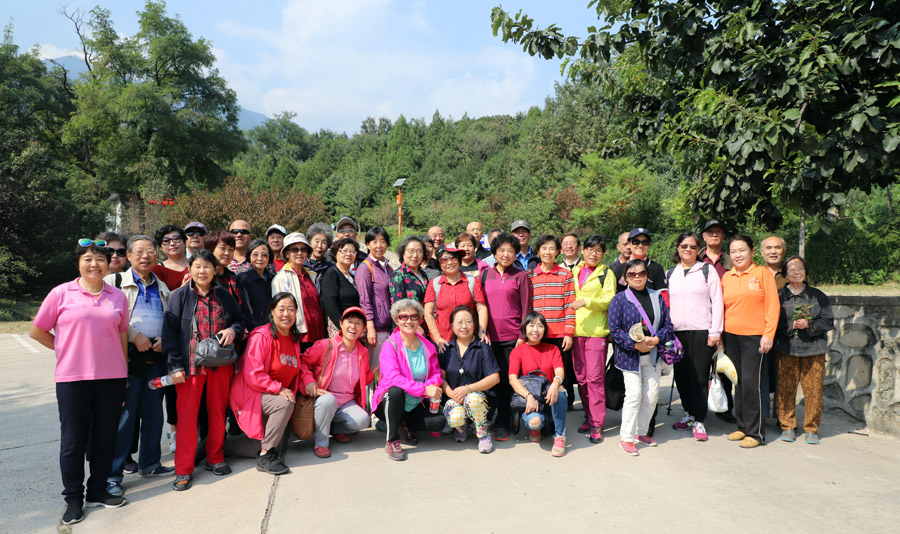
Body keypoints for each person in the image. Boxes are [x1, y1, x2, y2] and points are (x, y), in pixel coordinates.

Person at [30, 239, 129, 524]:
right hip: (73, 379)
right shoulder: (61, 293)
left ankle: (97, 490)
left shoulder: (117, 296)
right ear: (78, 264)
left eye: (100, 259)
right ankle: (73, 499)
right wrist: (64, 349)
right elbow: (37, 331)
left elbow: (122, 335)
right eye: (88, 259)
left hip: (111, 379)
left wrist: (124, 372)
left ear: (108, 264)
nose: (94, 264)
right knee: (73, 442)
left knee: (105, 438)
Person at [163, 249, 244, 490]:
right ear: (190, 269)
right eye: (197, 266)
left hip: (219, 365)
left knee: (218, 413)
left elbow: (239, 322)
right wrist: (174, 365)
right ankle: (183, 469)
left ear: (215, 270)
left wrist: (233, 330)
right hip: (190, 367)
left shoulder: (224, 295)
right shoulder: (179, 296)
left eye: (207, 267)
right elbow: (169, 334)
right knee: (187, 418)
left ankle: (215, 458)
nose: (202, 271)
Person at [104, 235, 175, 498]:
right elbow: (108, 316)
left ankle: (150, 463)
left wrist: (164, 339)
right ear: (129, 256)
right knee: (125, 418)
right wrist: (135, 336)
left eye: (151, 251)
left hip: (155, 358)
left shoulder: (162, 286)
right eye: (139, 252)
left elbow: (169, 320)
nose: (146, 256)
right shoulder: (115, 282)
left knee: (154, 413)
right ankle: (112, 474)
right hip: (127, 359)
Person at [608, 259, 676, 456]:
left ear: (647, 276)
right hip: (629, 357)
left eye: (641, 273)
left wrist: (657, 339)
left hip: (652, 356)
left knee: (651, 395)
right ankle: (626, 438)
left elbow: (668, 325)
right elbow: (615, 330)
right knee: (634, 395)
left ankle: (642, 432)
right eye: (632, 273)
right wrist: (634, 344)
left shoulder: (657, 297)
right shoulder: (619, 300)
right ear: (625, 277)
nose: (637, 276)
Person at [229, 292, 302, 475]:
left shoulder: (293, 338)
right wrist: (279, 388)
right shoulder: (261, 336)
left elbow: (299, 367)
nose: (286, 314)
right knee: (284, 403)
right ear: (272, 311)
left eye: (291, 309)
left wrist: (309, 382)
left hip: (270, 395)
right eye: (281, 309)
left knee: (275, 441)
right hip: (251, 393)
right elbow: (253, 373)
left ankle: (220, 447)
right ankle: (265, 457)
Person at [722, 235, 779, 448]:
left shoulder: (762, 273)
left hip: (754, 337)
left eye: (742, 250)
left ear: (752, 252)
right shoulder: (727, 277)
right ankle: (742, 426)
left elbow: (773, 306)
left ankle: (756, 433)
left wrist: (768, 334)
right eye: (733, 251)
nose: (738, 255)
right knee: (738, 382)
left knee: (752, 384)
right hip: (731, 336)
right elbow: (723, 307)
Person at [666, 231, 724, 441]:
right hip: (677, 333)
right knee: (681, 377)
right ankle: (688, 414)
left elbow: (717, 301)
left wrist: (715, 332)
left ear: (699, 249)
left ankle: (699, 419)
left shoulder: (706, 270)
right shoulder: (670, 273)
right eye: (684, 246)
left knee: (699, 378)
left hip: (701, 331)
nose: (688, 250)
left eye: (692, 246)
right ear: (678, 248)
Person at [372, 299, 445, 461]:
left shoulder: (427, 345)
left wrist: (430, 386)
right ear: (396, 319)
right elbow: (393, 378)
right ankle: (392, 440)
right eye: (403, 316)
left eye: (413, 316)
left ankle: (405, 424)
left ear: (419, 319)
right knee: (395, 391)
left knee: (439, 422)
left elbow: (436, 374)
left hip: (417, 402)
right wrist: (424, 389)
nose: (409, 321)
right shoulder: (390, 345)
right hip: (392, 402)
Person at [774, 256, 834, 445]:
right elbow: (771, 322)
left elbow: (828, 321)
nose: (796, 272)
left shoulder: (817, 295)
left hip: (814, 350)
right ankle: (787, 426)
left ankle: (811, 429)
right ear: (785, 274)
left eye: (800, 268)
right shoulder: (778, 296)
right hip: (786, 349)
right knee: (785, 389)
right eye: (792, 269)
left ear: (806, 272)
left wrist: (810, 324)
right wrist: (790, 325)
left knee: (814, 391)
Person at [300, 307, 375, 457]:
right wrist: (308, 380)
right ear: (341, 324)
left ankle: (335, 429)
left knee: (363, 420)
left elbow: (362, 380)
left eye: (358, 323)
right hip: (323, 399)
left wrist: (376, 372)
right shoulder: (326, 345)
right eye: (349, 321)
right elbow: (303, 361)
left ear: (363, 329)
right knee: (329, 400)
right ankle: (321, 443)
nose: (353, 326)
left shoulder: (363, 352)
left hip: (346, 403)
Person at [482, 232, 533, 441]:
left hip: (512, 338)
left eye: (510, 251)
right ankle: (494, 419)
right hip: (488, 339)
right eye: (501, 250)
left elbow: (527, 309)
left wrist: (522, 335)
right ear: (494, 253)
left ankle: (504, 422)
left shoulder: (521, 276)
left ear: (515, 254)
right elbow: (480, 306)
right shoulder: (485, 275)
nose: (505, 254)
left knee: (506, 382)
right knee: (490, 382)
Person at [570, 235, 616, 443]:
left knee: (595, 379)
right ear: (583, 251)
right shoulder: (575, 271)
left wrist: (586, 301)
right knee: (581, 378)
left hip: (596, 332)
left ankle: (597, 423)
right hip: (576, 332)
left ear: (603, 254)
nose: (593, 253)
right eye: (590, 249)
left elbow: (609, 300)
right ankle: (589, 416)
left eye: (598, 250)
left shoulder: (606, 273)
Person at [438, 306, 500, 453]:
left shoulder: (483, 346)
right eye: (459, 322)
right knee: (455, 417)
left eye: (468, 322)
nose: (464, 326)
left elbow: (495, 378)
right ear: (452, 325)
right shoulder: (446, 349)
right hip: (455, 398)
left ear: (474, 324)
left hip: (479, 398)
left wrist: (468, 389)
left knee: (473, 399)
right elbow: (441, 379)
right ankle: (461, 427)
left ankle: (483, 434)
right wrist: (453, 395)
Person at [508, 312, 568, 457]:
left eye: (540, 326)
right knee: (535, 422)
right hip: (531, 397)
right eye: (531, 325)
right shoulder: (517, 351)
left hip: (550, 395)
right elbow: (512, 379)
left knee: (560, 389)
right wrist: (528, 396)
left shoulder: (553, 349)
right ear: (524, 328)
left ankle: (559, 436)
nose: (535, 330)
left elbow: (559, 371)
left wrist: (555, 383)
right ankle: (536, 427)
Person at [529, 234, 576, 409]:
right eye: (544, 248)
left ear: (557, 252)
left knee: (560, 371)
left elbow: (569, 305)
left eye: (551, 248)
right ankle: (542, 406)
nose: (547, 252)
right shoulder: (531, 276)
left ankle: (563, 405)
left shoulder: (565, 275)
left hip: (559, 333)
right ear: (538, 251)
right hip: (537, 333)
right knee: (540, 371)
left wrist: (568, 333)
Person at [699, 219, 736, 424]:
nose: (714, 235)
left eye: (718, 232)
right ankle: (699, 409)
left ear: (723, 236)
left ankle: (725, 408)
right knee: (701, 366)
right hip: (700, 319)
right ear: (703, 236)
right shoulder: (694, 257)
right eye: (710, 231)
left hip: (727, 318)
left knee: (724, 365)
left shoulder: (732, 260)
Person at [423, 246, 490, 351]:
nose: (449, 262)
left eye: (453, 258)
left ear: (459, 261)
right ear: (439, 264)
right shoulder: (434, 284)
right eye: (444, 259)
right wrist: (438, 338)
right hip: (443, 341)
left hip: (468, 339)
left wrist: (482, 331)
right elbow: (428, 313)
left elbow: (481, 308)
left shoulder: (472, 282)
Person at [271, 233, 326, 350]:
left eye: (303, 249)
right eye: (295, 249)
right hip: (298, 336)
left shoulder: (311, 275)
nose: (300, 253)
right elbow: (279, 310)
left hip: (318, 333)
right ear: (286, 253)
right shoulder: (281, 278)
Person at [355, 226, 394, 370]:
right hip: (377, 329)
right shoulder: (365, 268)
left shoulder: (388, 267)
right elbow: (365, 300)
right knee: (376, 369)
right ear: (367, 244)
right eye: (374, 242)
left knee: (388, 368)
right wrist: (370, 327)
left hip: (389, 327)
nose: (379, 245)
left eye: (382, 241)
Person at [205, 230, 252, 326]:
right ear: (210, 249)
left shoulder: (233, 279)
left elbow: (244, 311)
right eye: (222, 248)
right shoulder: (202, 278)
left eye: (231, 249)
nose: (227, 253)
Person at [320, 237, 361, 335]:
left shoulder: (353, 277)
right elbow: (330, 304)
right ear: (335, 253)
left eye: (352, 251)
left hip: (354, 327)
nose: (348, 254)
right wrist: (342, 327)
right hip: (340, 328)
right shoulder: (332, 273)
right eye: (344, 251)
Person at [237, 239, 276, 331]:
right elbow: (244, 308)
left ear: (269, 257)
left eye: (264, 255)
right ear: (249, 256)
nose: (260, 258)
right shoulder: (243, 278)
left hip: (273, 328)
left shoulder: (273, 278)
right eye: (255, 254)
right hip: (253, 329)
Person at [389, 235, 431, 304]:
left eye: (419, 251)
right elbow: (398, 305)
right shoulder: (398, 275)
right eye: (411, 251)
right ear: (403, 252)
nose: (415, 255)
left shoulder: (422, 273)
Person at [153, 224, 189, 290]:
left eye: (176, 238)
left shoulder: (197, 264)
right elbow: (160, 295)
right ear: (161, 247)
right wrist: (182, 289)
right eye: (166, 241)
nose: (172, 243)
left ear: (185, 243)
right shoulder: (157, 270)